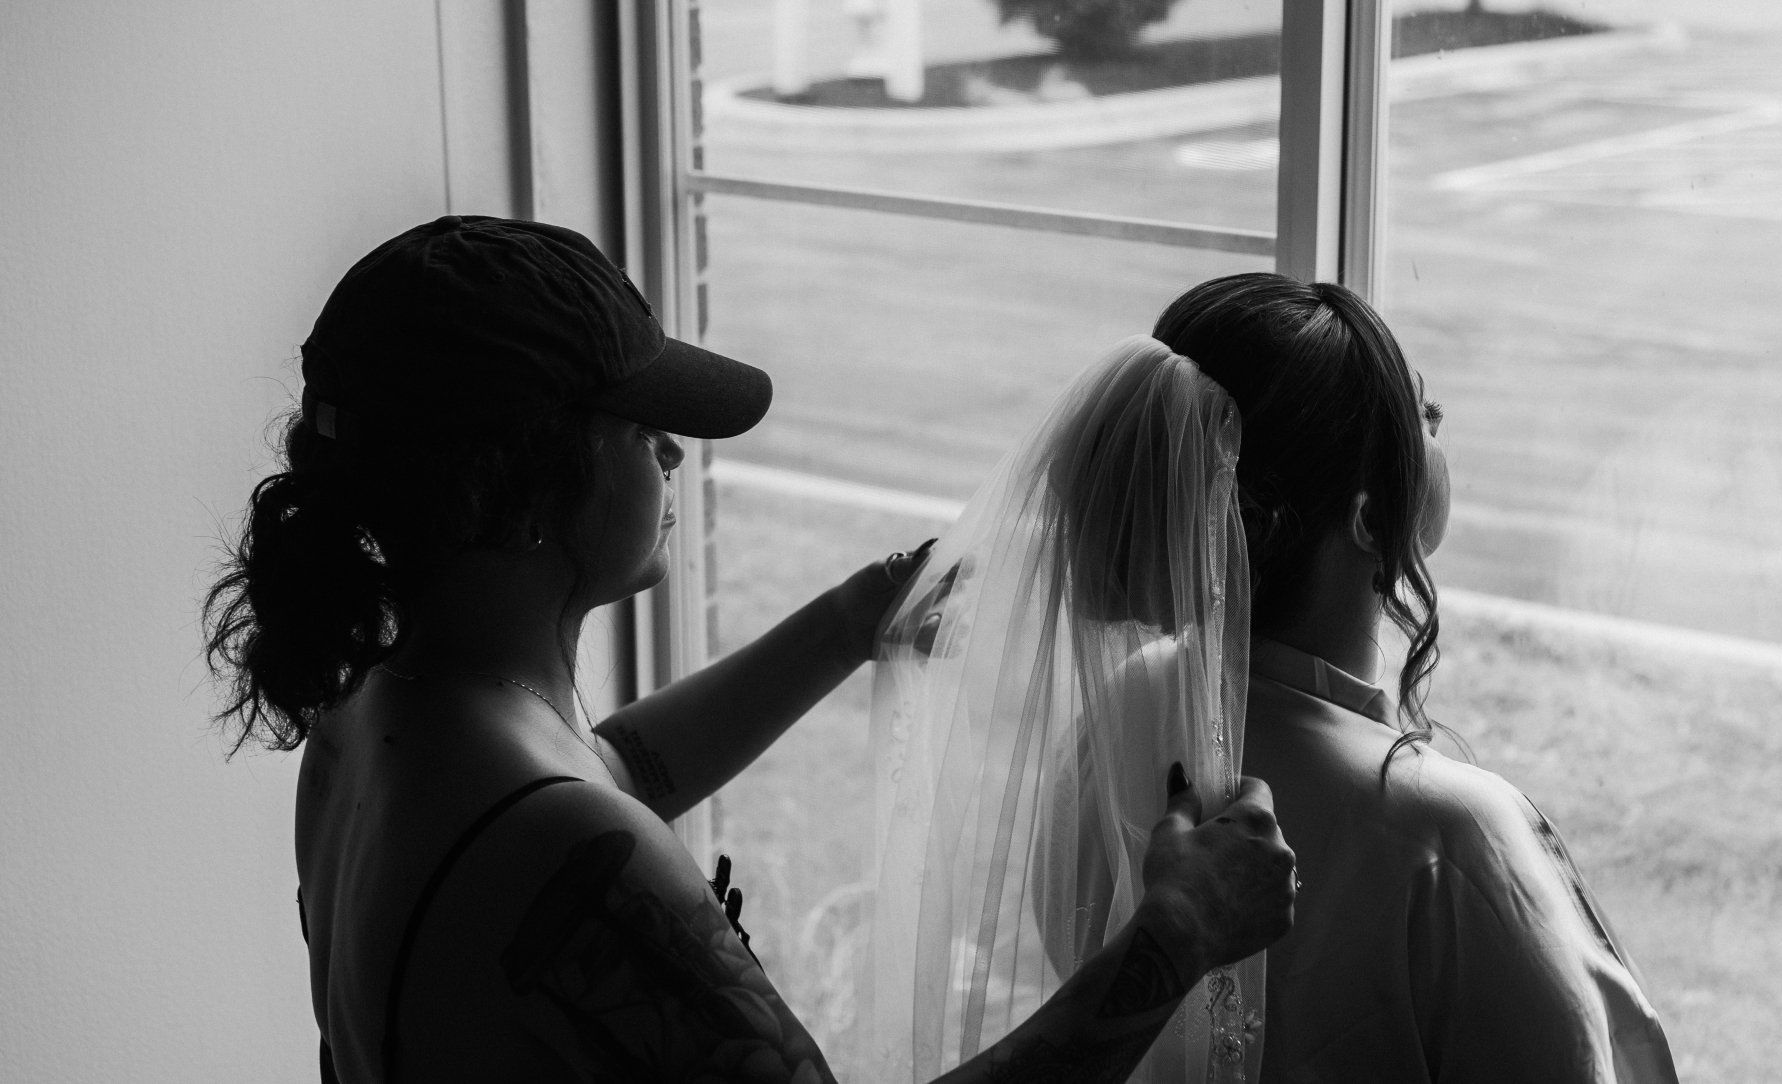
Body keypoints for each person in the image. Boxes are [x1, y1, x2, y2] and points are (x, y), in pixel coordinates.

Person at [202, 216, 1298, 1083]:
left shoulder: (380, 718)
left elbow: (610, 769)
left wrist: (848, 622)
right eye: (638, 428)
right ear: (524, 488)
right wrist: (1172, 935)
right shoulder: (566, 850)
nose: (673, 452)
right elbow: (584, 825)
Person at [873, 272, 1679, 1082]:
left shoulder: (1115, 718)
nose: (1436, 434)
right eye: (1421, 417)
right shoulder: (1452, 836)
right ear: (1374, 517)